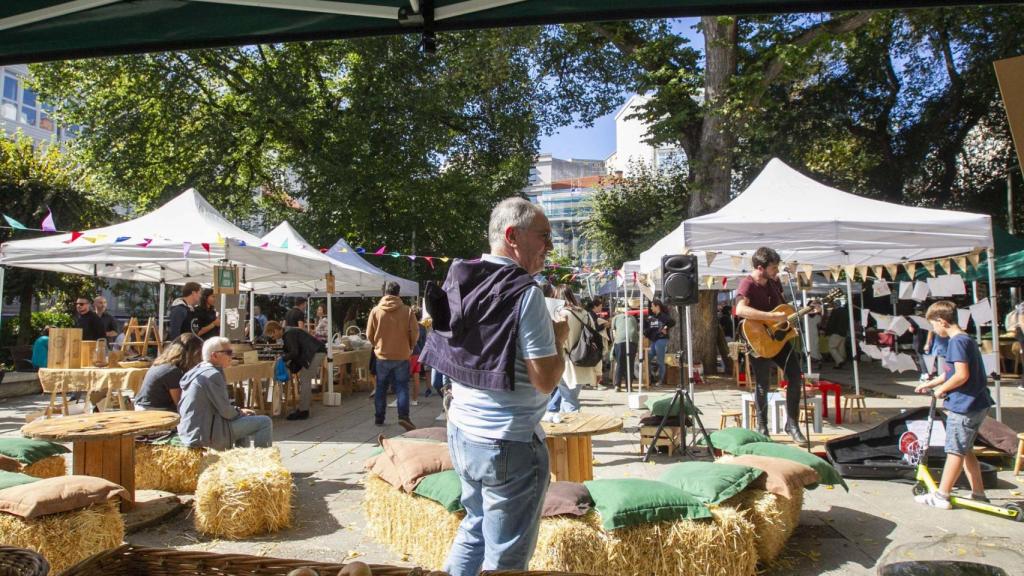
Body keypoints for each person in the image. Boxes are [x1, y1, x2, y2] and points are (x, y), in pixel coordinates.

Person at [419, 197, 569, 576]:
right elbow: (546, 380)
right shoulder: (526, 293)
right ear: (512, 236)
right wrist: (560, 338)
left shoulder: (460, 279)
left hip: (462, 430)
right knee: (506, 561)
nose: (550, 246)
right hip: (508, 443)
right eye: (544, 236)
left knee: (474, 529)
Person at [913, 300, 994, 508]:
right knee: (966, 449)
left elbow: (961, 375)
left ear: (942, 321)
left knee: (955, 449)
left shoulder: (957, 342)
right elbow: (950, 371)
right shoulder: (965, 339)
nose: (933, 329)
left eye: (933, 325)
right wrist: (932, 383)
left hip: (965, 405)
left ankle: (942, 495)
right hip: (977, 402)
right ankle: (978, 493)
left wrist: (942, 390)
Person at [734, 246, 809, 443]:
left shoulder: (774, 283)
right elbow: (740, 310)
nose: (777, 270)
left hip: (779, 339)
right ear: (760, 267)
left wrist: (794, 320)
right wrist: (770, 316)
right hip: (758, 340)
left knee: (795, 376)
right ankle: (762, 426)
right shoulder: (747, 284)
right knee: (762, 383)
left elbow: (782, 311)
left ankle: (792, 424)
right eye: (773, 267)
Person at [177, 337, 273, 450]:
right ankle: (263, 463)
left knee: (245, 416)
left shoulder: (199, 370)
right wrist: (239, 411)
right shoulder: (213, 375)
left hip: (194, 429)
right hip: (204, 434)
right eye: (228, 353)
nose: (232, 356)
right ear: (214, 355)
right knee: (265, 422)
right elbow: (226, 411)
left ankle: (241, 460)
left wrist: (239, 411)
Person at [366, 281, 419, 430]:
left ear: (385, 293)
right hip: (402, 354)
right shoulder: (407, 311)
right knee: (402, 387)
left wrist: (377, 345)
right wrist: (410, 346)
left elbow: (369, 334)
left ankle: (379, 417)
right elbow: (414, 333)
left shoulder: (375, 311)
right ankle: (403, 416)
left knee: (381, 387)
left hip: (382, 355)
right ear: (398, 293)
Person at [544, 285, 595, 416]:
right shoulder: (586, 314)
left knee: (569, 402)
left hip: (565, 363)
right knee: (566, 400)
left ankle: (578, 433)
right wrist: (598, 369)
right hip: (584, 362)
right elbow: (596, 340)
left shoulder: (560, 314)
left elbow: (558, 341)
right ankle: (566, 432)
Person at [262, 320, 327, 421]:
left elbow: (294, 352)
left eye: (272, 335)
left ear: (275, 330)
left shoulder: (288, 334)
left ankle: (304, 411)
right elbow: (295, 351)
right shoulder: (288, 332)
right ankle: (303, 408)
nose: (272, 338)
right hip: (316, 351)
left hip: (315, 352)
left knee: (305, 379)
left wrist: (283, 359)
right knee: (305, 379)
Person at [134, 333, 203, 412]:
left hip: (142, 406)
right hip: (152, 410)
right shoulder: (173, 371)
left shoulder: (161, 363)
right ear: (191, 354)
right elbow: (180, 403)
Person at [643, 299, 674, 386]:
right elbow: (648, 328)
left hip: (661, 340)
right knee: (647, 359)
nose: (651, 308)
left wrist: (666, 328)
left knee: (660, 361)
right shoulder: (652, 317)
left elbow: (672, 322)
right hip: (654, 341)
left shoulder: (663, 316)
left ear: (657, 306)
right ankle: (651, 377)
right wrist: (645, 333)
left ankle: (660, 381)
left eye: (652, 306)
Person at [611, 303, 640, 392]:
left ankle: (617, 385)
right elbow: (637, 330)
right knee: (630, 364)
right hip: (632, 340)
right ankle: (629, 387)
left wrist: (614, 344)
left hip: (620, 340)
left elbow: (614, 333)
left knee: (620, 363)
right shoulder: (633, 318)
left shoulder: (615, 318)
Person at [410, 307, 427, 405]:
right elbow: (424, 342)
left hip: (410, 352)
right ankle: (415, 399)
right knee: (416, 376)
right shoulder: (423, 327)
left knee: (402, 377)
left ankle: (400, 399)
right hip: (419, 353)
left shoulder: (410, 326)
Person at [825, 303, 850, 369]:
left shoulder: (835, 312)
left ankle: (840, 360)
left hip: (836, 332)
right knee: (840, 348)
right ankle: (839, 363)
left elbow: (831, 323)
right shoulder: (846, 312)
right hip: (843, 332)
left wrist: (827, 332)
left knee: (832, 347)